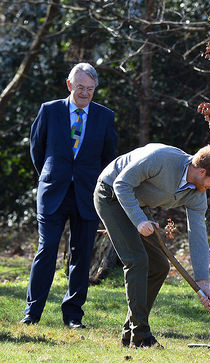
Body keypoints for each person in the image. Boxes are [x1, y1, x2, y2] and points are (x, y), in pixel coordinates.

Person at [93, 143, 210, 348]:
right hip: (110, 194)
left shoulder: (197, 195)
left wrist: (203, 280)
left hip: (137, 204)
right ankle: (141, 336)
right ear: (202, 171)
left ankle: (129, 332)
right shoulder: (161, 158)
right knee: (136, 260)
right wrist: (140, 220)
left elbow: (198, 236)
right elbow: (121, 184)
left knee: (159, 265)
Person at [22, 63, 117, 328]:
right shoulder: (49, 111)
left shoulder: (105, 117)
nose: (85, 93)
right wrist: (52, 176)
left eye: (90, 89)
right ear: (69, 85)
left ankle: (73, 315)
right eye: (80, 88)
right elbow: (36, 150)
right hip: (53, 192)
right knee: (47, 250)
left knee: (82, 254)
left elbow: (109, 160)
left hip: (87, 196)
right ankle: (32, 313)